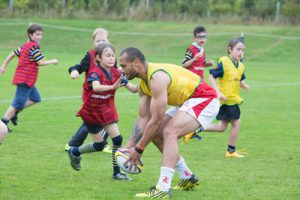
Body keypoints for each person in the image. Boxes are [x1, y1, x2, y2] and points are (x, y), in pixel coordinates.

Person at [119, 47, 220, 198]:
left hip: (205, 99)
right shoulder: (143, 84)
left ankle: (163, 188)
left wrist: (139, 149)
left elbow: (157, 119)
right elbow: (144, 118)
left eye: (123, 65)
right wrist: (128, 147)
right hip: (187, 101)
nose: (121, 70)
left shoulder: (157, 78)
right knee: (156, 133)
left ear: (136, 63)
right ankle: (187, 176)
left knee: (169, 131)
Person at [67, 43, 138, 181]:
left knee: (117, 139)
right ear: (98, 58)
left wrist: (147, 83)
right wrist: (112, 86)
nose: (112, 58)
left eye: (113, 55)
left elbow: (133, 89)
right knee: (99, 146)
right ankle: (74, 151)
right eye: (108, 55)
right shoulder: (95, 72)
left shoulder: (117, 73)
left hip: (107, 110)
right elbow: (96, 87)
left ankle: (117, 173)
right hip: (92, 112)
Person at [0, 24, 58, 132]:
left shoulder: (25, 45)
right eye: (37, 34)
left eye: (41, 35)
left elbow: (12, 53)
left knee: (36, 98)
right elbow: (40, 62)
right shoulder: (33, 47)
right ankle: (3, 123)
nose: (40, 37)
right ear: (30, 35)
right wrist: (53, 61)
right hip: (25, 79)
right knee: (17, 103)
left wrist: (4, 65)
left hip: (28, 80)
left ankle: (15, 112)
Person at [65, 28, 113, 154]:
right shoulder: (90, 55)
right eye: (98, 41)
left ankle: (73, 145)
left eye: (103, 40)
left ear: (108, 41)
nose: (100, 43)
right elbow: (79, 67)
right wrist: (74, 71)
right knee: (99, 119)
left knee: (97, 120)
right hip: (91, 94)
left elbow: (114, 72)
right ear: (93, 43)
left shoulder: (111, 55)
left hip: (106, 94)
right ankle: (74, 145)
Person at [205, 37, 249, 158]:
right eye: (238, 49)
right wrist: (217, 92)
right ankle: (230, 151)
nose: (241, 52)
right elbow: (211, 77)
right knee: (237, 123)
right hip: (226, 100)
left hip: (232, 99)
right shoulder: (224, 62)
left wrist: (243, 85)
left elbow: (239, 79)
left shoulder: (240, 66)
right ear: (230, 49)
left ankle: (196, 129)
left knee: (221, 127)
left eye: (243, 50)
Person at [181, 25, 214, 142]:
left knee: (196, 106)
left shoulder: (202, 50)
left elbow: (202, 63)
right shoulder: (191, 49)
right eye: (199, 37)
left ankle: (190, 131)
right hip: (191, 82)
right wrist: (194, 59)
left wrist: (207, 64)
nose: (202, 39)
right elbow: (183, 64)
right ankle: (184, 129)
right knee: (189, 106)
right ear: (195, 38)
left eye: (204, 37)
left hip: (200, 82)